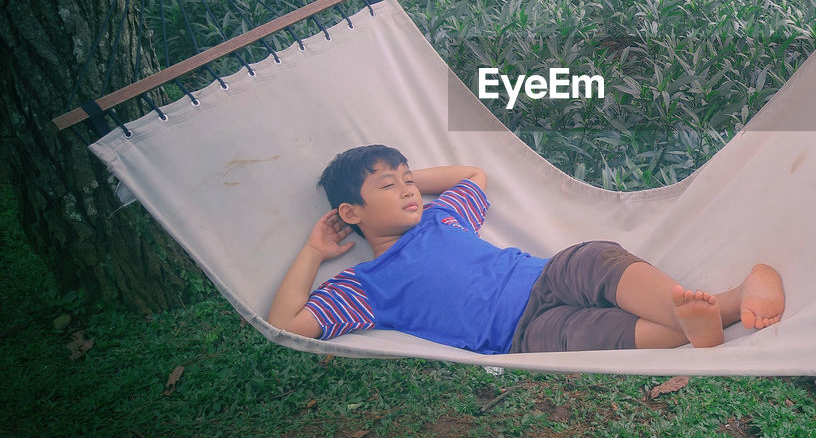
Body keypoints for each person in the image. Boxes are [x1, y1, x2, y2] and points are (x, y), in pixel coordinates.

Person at [268, 144, 786, 354]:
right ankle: (707, 315)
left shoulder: (440, 216)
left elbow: (474, 174)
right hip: (522, 334)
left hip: (546, 276)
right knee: (600, 336)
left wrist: (402, 177)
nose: (407, 190)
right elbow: (286, 326)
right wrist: (314, 250)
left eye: (408, 181)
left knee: (596, 257)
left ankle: (715, 303)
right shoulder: (363, 287)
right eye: (388, 187)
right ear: (350, 213)